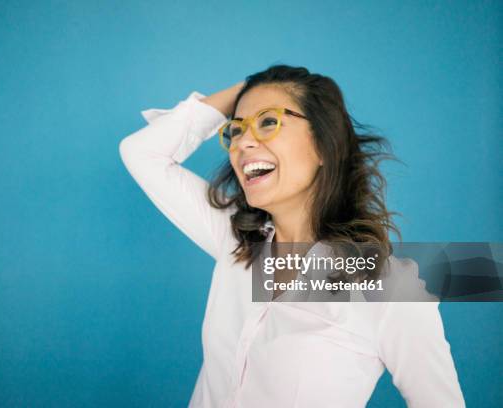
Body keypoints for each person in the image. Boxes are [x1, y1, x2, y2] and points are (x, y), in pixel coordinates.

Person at [119, 65, 465, 407]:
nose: (243, 143)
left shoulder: (387, 287)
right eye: (236, 131)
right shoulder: (236, 242)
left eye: (269, 121)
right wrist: (249, 88)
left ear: (324, 147)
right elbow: (142, 153)